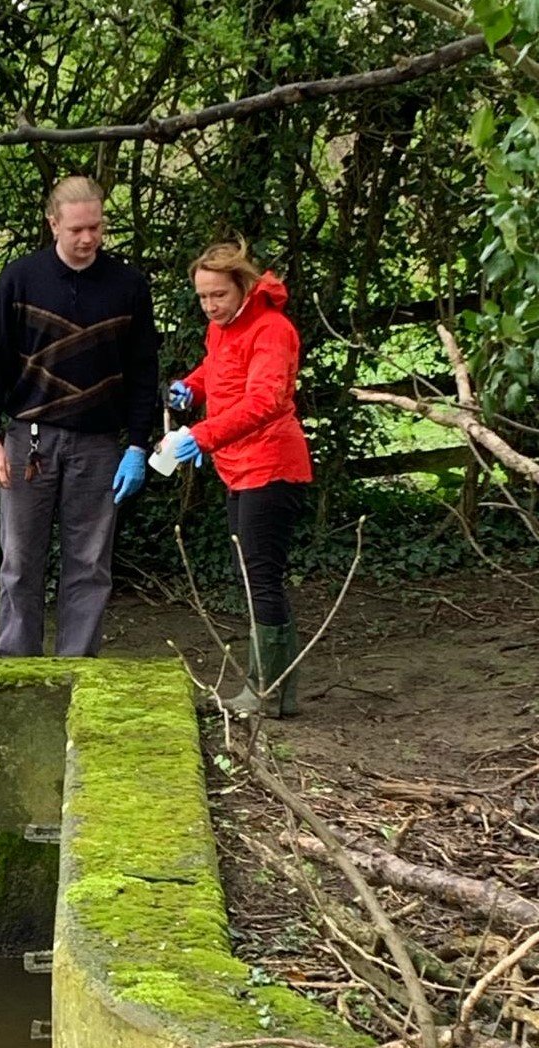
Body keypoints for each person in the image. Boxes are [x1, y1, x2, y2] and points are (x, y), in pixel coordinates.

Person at [0, 176, 159, 657]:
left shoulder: (129, 287)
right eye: (77, 228)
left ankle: (77, 670)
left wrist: (138, 444)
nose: (88, 238)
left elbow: (144, 371)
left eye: (96, 227)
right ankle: (17, 671)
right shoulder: (20, 279)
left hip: (99, 445)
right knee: (19, 560)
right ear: (53, 223)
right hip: (28, 440)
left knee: (91, 563)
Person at [167, 238, 312, 716]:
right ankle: (272, 691)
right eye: (203, 297)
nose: (210, 306)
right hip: (239, 466)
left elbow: (264, 401)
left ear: (243, 287)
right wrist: (190, 386)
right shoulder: (223, 329)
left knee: (261, 577)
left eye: (219, 296)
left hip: (271, 464)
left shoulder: (272, 329)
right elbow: (217, 370)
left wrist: (202, 435)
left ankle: (267, 693)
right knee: (252, 575)